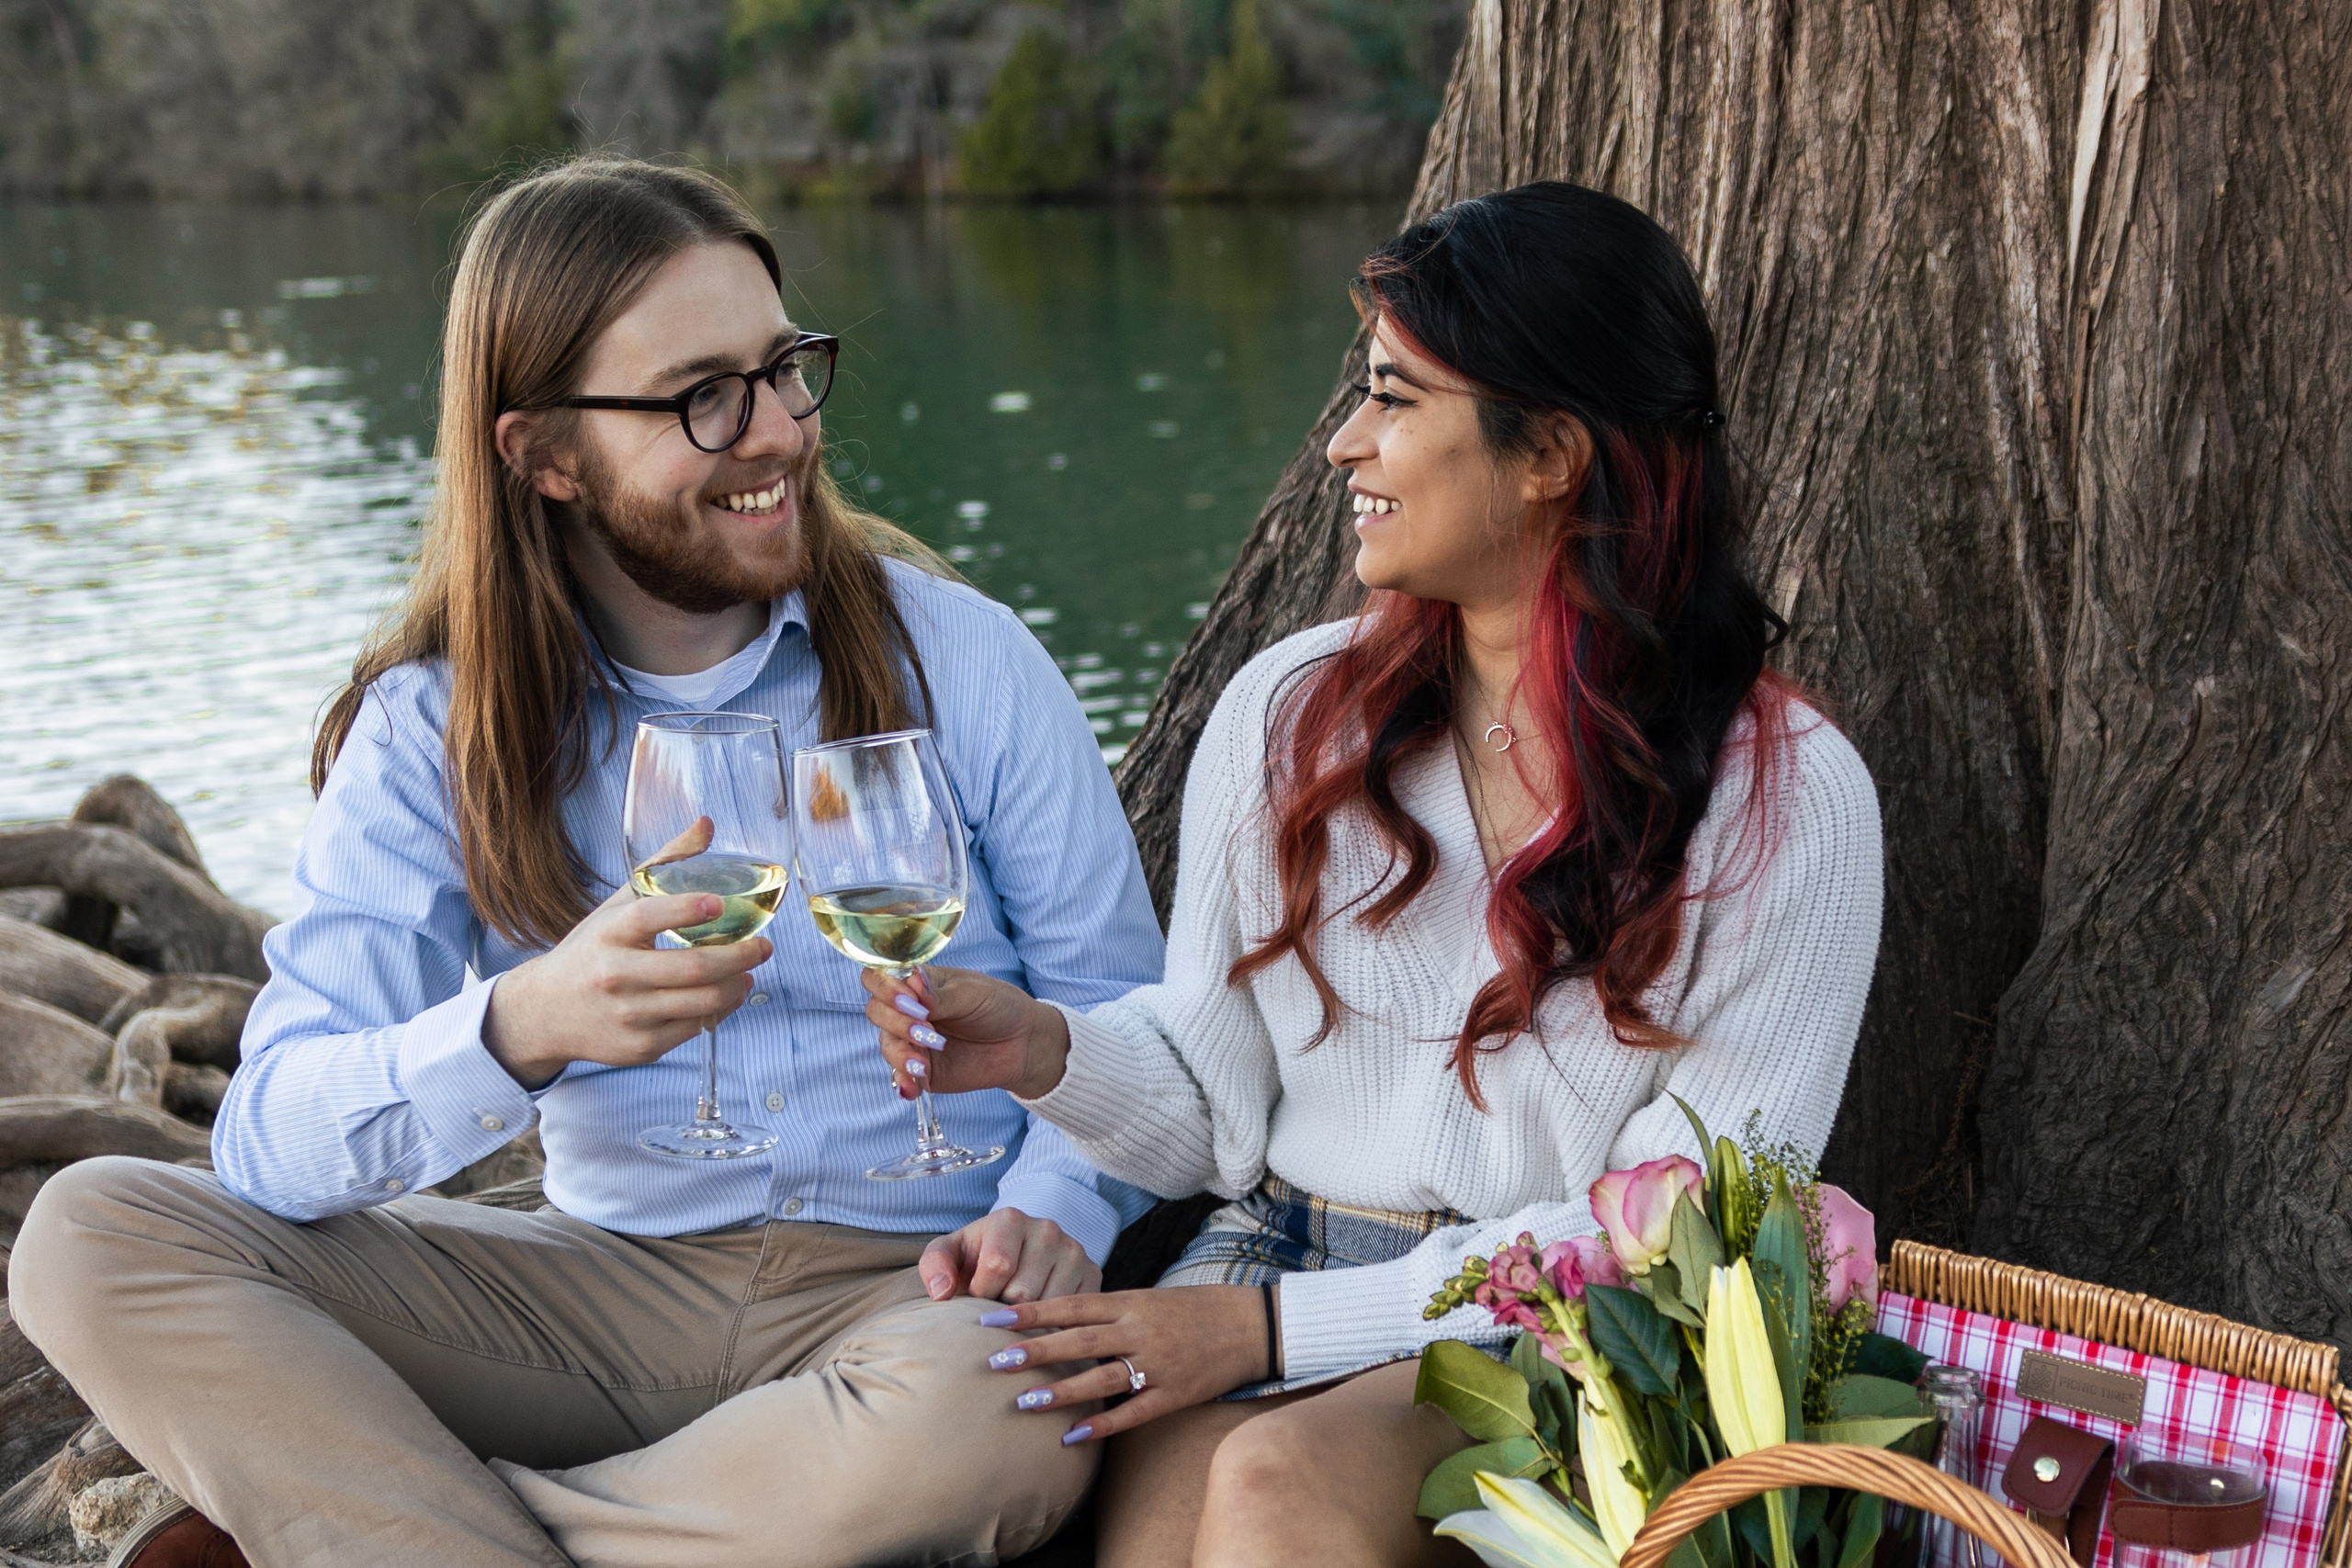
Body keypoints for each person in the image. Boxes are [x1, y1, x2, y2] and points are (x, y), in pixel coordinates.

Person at [8, 156, 1164, 1568]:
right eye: (702, 397)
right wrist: (523, 1026)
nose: (779, 433)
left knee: (1002, 1414)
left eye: (786, 368)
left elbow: (1119, 1002)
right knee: (88, 1234)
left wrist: (1055, 1206)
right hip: (601, 1296)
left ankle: (387, 1535)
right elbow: (268, 1141)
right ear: (544, 454)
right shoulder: (432, 723)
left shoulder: (963, 659)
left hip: (917, 1291)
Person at [859, 181, 1887, 1567]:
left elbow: (1683, 1232)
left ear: (1552, 456)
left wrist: (1277, 1335)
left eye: (1397, 399)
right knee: (1154, 1520)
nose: (1344, 442)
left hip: (1562, 1331)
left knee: (1278, 1483)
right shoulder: (1291, 715)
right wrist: (1044, 1049)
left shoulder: (1786, 795)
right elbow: (1218, 1115)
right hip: (1265, 1253)